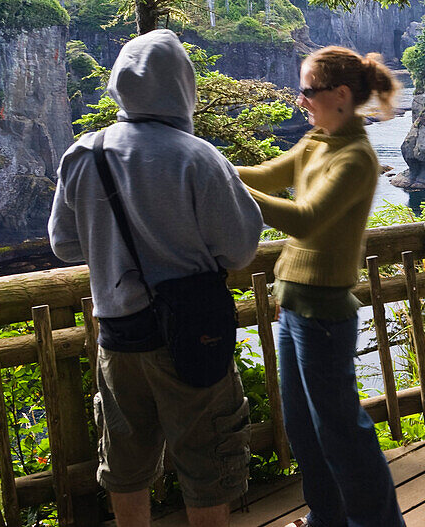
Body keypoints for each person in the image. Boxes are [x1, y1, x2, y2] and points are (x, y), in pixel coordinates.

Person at [48, 29, 262, 527]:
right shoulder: (198, 156)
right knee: (207, 458)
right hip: (191, 335)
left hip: (119, 336)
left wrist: (112, 250)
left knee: (126, 462)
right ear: (182, 85)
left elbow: (63, 245)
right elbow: (241, 247)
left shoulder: (85, 154)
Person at [236, 46, 405, 527]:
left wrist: (227, 185)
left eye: (308, 91)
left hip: (326, 314)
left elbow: (305, 220)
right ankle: (326, 518)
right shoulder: (316, 142)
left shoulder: (356, 158)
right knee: (304, 429)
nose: (301, 100)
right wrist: (210, 165)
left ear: (340, 94)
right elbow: (267, 176)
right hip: (292, 307)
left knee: (341, 430)